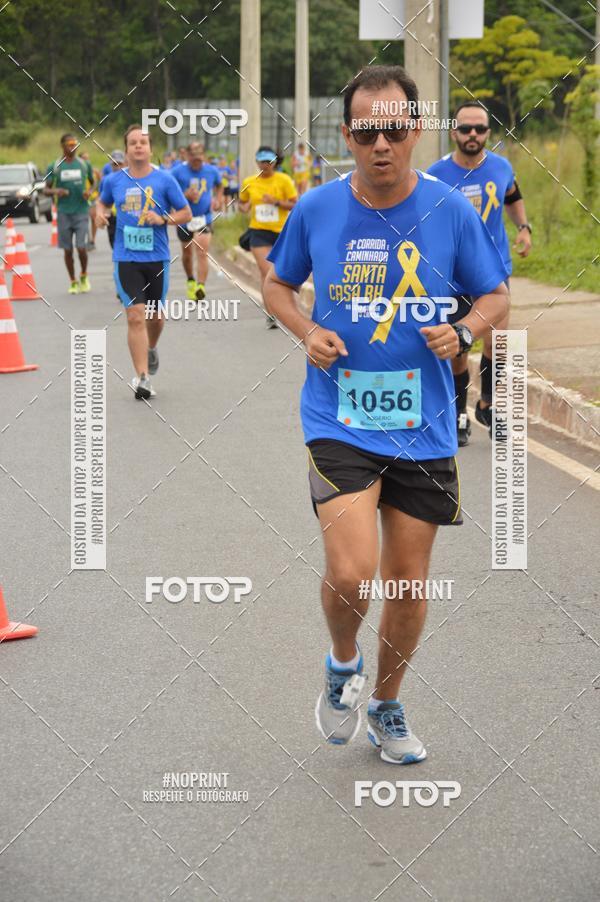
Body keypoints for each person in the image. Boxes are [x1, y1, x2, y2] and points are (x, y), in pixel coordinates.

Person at [264, 65, 508, 763]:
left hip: (424, 426)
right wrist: (307, 330)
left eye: (395, 130)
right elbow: (277, 285)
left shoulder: (450, 212)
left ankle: (387, 704)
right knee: (352, 573)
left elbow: (493, 297)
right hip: (338, 417)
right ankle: (343, 662)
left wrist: (463, 332)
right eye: (366, 131)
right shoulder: (315, 208)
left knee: (406, 582)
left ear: (415, 132)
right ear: (347, 135)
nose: (381, 144)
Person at [428, 101, 532, 444]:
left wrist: (524, 227)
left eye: (480, 129)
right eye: (465, 129)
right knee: (459, 347)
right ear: (453, 131)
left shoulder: (501, 168)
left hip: (493, 270)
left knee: (497, 341)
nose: (473, 135)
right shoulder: (436, 174)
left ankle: (487, 403)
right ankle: (460, 412)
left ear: (488, 133)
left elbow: (513, 197)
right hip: (452, 276)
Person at [95, 125, 191, 400]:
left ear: (150, 149)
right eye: (133, 142)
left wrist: (163, 220)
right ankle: (142, 377)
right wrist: (100, 215)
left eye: (143, 142)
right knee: (135, 315)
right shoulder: (114, 181)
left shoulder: (165, 180)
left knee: (155, 317)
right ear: (126, 150)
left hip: (157, 257)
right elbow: (101, 204)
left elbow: (185, 212)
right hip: (126, 257)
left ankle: (150, 348)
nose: (138, 146)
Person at [239, 146, 297, 329]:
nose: (265, 165)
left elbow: (295, 204)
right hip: (258, 232)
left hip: (281, 233)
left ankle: (287, 308)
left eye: (268, 162)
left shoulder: (284, 180)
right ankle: (271, 313)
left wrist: (276, 202)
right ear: (256, 162)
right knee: (267, 271)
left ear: (274, 162)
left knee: (282, 272)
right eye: (261, 162)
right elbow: (242, 203)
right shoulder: (249, 182)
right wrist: (245, 207)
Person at [44, 134, 95, 294]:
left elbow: (94, 184)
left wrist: (89, 192)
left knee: (81, 247)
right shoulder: (55, 166)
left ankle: (84, 276)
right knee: (67, 250)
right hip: (64, 213)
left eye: (75, 144)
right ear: (62, 146)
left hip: (81, 211)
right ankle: (73, 281)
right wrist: (56, 191)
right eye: (69, 144)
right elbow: (45, 190)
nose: (72, 146)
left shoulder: (84, 165)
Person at [172, 142, 223, 301]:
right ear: (187, 156)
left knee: (202, 251)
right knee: (187, 254)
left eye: (200, 156)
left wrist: (218, 200)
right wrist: (184, 196)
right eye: (194, 156)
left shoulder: (211, 171)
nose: (197, 160)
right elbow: (169, 191)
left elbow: (220, 185)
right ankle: (191, 280)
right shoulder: (177, 172)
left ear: (203, 156)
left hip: (204, 217)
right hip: (184, 217)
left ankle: (201, 286)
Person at [97, 150, 126, 250]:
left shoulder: (131, 178)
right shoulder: (106, 180)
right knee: (114, 245)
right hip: (112, 217)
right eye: (114, 164)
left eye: (120, 164)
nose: (117, 167)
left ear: (124, 163)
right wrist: (101, 214)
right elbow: (102, 200)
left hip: (126, 215)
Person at [79, 151, 101, 250]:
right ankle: (86, 239)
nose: (86, 160)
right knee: (84, 220)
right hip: (82, 198)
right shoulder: (78, 171)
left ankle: (92, 240)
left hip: (93, 198)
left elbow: (101, 184)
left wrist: (98, 196)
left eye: (88, 158)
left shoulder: (94, 171)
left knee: (93, 218)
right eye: (84, 158)